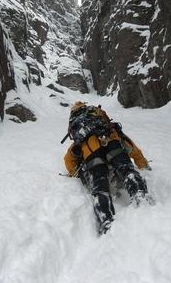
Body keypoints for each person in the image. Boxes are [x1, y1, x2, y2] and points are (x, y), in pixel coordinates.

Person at [63, 101, 154, 235]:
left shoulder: (80, 140)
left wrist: (77, 175)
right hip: (111, 141)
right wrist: (144, 165)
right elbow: (132, 148)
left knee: (99, 187)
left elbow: (68, 160)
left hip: (91, 152)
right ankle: (140, 194)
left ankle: (106, 220)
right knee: (126, 170)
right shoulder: (110, 127)